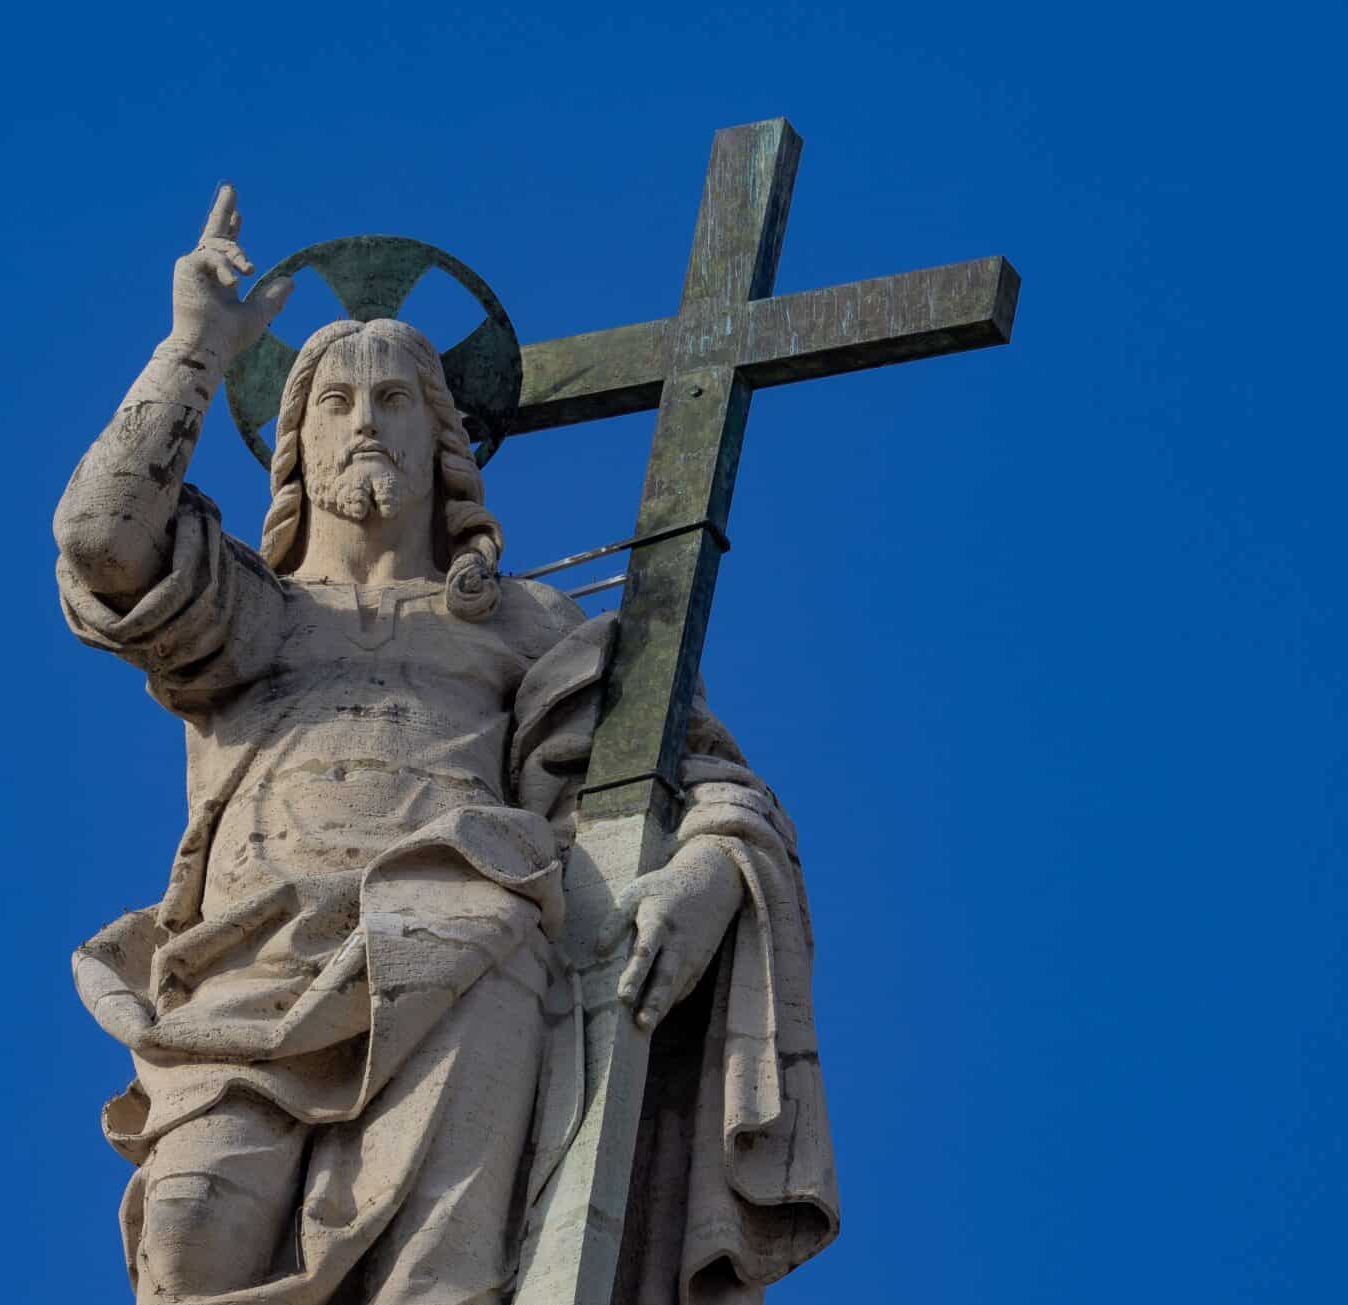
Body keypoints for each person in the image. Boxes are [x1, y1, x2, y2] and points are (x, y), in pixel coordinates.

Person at [54, 186, 835, 1304]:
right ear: (291, 442)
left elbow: (704, 782)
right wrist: (192, 348)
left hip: (466, 953)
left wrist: (711, 871)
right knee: (185, 1244)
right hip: (245, 964)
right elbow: (100, 539)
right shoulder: (250, 610)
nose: (362, 421)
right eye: (332, 403)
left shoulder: (525, 625)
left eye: (391, 399)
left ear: (443, 436)